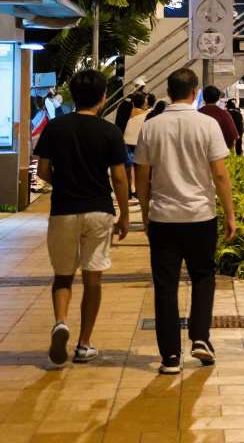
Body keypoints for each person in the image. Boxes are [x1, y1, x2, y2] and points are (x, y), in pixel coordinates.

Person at [135, 67, 236, 375]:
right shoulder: (206, 124)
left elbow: (141, 175)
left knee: (165, 285)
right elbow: (219, 174)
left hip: (163, 218)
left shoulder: (151, 126)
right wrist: (230, 214)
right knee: (203, 277)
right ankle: (201, 338)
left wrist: (145, 210)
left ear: (168, 91)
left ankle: (170, 358)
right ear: (195, 93)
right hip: (200, 216)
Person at [34, 69, 130, 365]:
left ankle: (61, 321)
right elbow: (119, 177)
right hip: (99, 211)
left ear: (72, 97)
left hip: (63, 210)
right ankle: (84, 343)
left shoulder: (56, 128)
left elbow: (42, 171)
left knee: (63, 275)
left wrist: (63, 183)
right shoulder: (110, 131)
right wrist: (125, 214)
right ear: (103, 98)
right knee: (93, 277)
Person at [121, 93, 149, 200]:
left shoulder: (129, 112)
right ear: (143, 102)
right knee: (140, 168)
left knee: (127, 167)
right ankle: (138, 191)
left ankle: (128, 192)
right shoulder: (145, 114)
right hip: (139, 142)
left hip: (127, 140)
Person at [197, 85, 239, 151]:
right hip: (220, 155)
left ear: (204, 97)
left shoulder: (197, 114)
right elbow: (233, 138)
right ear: (218, 98)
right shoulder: (224, 114)